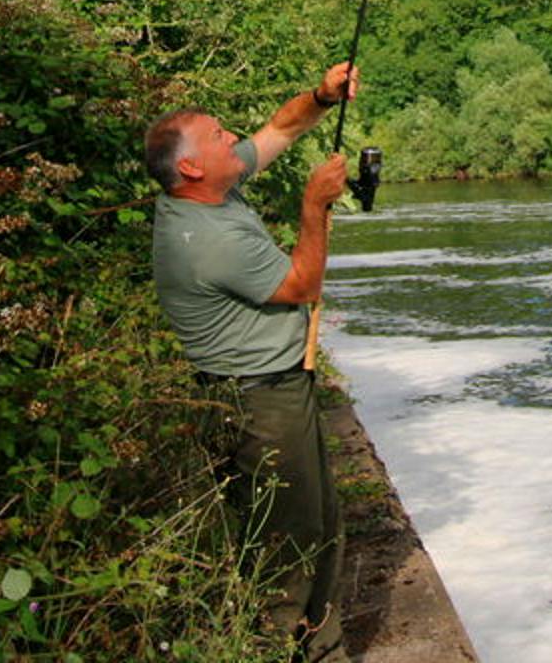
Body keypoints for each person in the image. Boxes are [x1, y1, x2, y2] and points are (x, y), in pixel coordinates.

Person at [143, 62, 359, 662]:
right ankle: (272, 649)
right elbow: (301, 285)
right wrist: (314, 205)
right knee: (287, 541)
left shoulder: (211, 190)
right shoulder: (208, 240)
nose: (229, 137)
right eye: (216, 135)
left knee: (322, 523)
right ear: (190, 166)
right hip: (259, 401)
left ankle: (322, 650)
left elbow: (279, 131)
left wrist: (321, 95)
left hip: (275, 391)